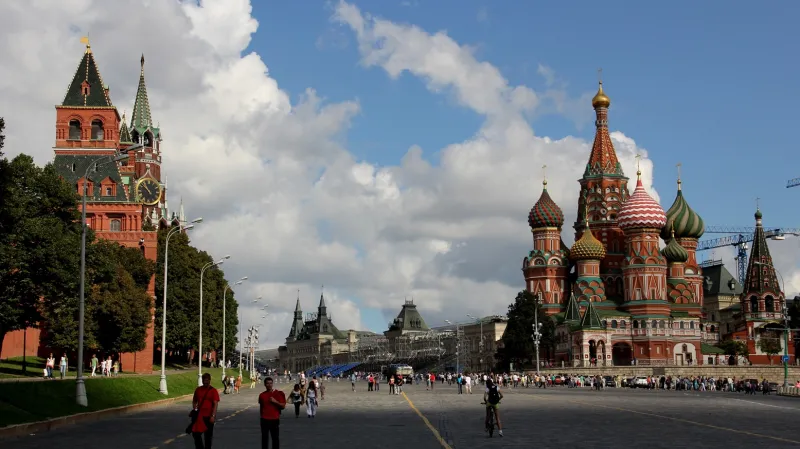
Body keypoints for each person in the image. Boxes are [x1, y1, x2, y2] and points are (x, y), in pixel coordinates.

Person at [191, 372, 220, 448]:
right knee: (196, 434)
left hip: (209, 416)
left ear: (210, 380)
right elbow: (194, 400)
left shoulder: (213, 391)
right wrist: (195, 409)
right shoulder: (198, 390)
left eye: (207, 380)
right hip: (199, 417)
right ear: (202, 380)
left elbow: (215, 404)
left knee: (208, 437)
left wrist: (213, 416)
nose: (205, 382)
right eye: (204, 380)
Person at [258, 376, 286, 449]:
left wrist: (275, 402)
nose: (269, 385)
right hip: (264, 419)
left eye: (271, 383)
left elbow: (283, 406)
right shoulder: (262, 395)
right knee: (264, 438)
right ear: (265, 384)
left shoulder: (278, 393)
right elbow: (261, 407)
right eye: (267, 383)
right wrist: (262, 416)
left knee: (275, 438)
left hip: (274, 419)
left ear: (272, 384)